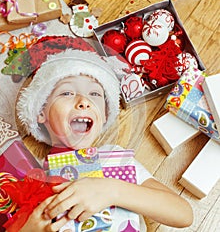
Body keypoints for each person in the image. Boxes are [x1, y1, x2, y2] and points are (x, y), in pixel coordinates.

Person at [16, 46, 193, 231]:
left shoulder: (113, 159)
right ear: (41, 111)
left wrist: (111, 190)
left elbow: (183, 214)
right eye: (67, 93)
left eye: (94, 94)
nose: (84, 102)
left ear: (105, 114)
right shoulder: (30, 180)